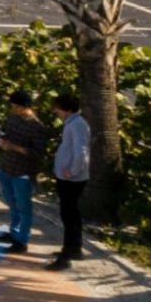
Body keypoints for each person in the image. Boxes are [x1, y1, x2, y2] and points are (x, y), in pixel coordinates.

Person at [0, 90, 50, 254]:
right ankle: (14, 232)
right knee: (12, 203)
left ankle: (22, 240)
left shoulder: (37, 128)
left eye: (16, 107)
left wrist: (15, 147)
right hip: (6, 166)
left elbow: (37, 153)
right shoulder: (13, 119)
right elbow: (7, 135)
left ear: (25, 107)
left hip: (23, 172)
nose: (13, 109)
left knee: (24, 207)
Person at [49, 93, 90, 270]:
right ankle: (74, 247)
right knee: (72, 214)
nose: (56, 111)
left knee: (69, 214)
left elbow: (81, 151)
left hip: (71, 178)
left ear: (67, 109)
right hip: (68, 175)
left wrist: (72, 171)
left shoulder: (77, 125)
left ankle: (67, 254)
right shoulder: (72, 123)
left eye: (58, 108)